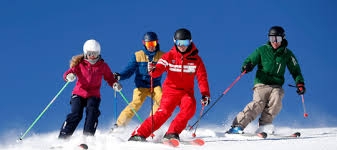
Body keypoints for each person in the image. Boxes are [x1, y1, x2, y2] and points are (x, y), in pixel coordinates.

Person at [128, 28, 211, 142]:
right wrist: (152, 70)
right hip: (170, 91)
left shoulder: (196, 60)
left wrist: (205, 94)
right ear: (175, 42)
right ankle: (139, 133)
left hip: (186, 92)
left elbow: (202, 78)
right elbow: (158, 69)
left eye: (185, 43)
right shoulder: (169, 56)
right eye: (179, 43)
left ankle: (172, 133)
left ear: (190, 42)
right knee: (163, 113)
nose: (182, 46)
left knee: (190, 108)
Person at [226, 26, 306, 134]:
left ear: (283, 39)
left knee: (276, 99)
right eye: (272, 39)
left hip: (276, 85)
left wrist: (300, 83)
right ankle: (237, 126)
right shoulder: (262, 50)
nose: (275, 42)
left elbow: (295, 70)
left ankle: (264, 126)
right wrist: (247, 66)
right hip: (261, 84)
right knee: (258, 104)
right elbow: (250, 60)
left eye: (278, 39)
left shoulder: (287, 54)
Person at [58, 39, 122, 139]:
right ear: (85, 53)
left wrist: (115, 84)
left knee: (92, 112)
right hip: (78, 93)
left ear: (99, 53)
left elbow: (109, 78)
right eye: (90, 53)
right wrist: (69, 76)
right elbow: (67, 73)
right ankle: (63, 137)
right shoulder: (80, 64)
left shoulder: (103, 66)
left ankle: (87, 138)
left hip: (93, 95)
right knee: (76, 114)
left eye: (95, 53)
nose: (92, 56)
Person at [111, 32, 165, 129]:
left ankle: (151, 124)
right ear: (144, 43)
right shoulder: (138, 55)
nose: (151, 47)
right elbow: (129, 70)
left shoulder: (162, 56)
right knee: (136, 102)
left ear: (157, 43)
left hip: (155, 85)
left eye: (153, 44)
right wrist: (119, 76)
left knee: (162, 101)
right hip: (141, 86)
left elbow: (171, 67)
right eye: (149, 44)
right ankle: (119, 125)